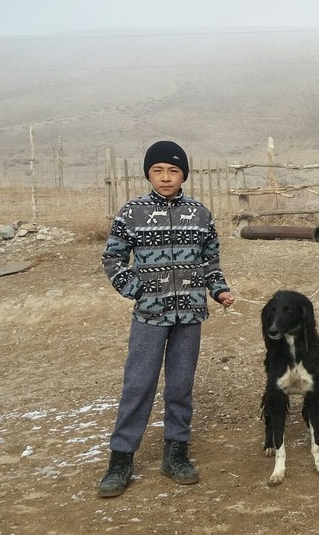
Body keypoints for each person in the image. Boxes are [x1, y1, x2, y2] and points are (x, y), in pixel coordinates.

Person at [98, 140, 234, 497]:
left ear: (183, 175)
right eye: (158, 170)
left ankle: (176, 454)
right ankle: (121, 460)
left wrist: (219, 290)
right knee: (138, 384)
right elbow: (113, 258)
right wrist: (136, 290)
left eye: (173, 170)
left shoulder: (200, 214)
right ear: (148, 174)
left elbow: (210, 262)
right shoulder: (132, 213)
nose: (166, 177)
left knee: (180, 386)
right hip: (149, 316)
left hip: (190, 315)